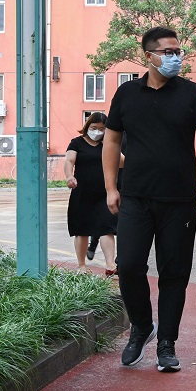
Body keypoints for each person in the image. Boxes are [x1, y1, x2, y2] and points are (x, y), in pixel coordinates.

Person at [103, 26, 196, 373]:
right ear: (149, 56)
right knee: (128, 266)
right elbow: (111, 141)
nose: (175, 57)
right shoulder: (127, 93)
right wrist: (111, 188)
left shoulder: (193, 93)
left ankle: (167, 343)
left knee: (174, 273)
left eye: (178, 51)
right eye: (168, 52)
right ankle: (141, 327)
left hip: (178, 201)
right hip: (135, 197)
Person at [64, 112, 119, 276]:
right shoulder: (77, 143)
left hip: (104, 194)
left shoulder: (107, 145)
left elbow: (122, 161)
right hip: (82, 193)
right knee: (82, 230)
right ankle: (81, 265)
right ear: (87, 126)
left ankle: (110, 265)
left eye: (102, 129)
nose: (97, 132)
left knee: (107, 228)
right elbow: (69, 161)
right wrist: (69, 176)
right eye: (94, 128)